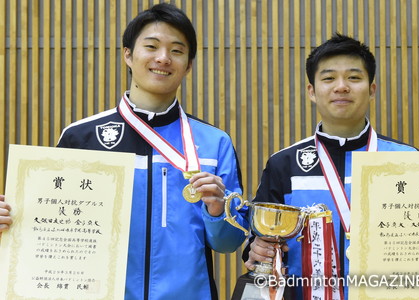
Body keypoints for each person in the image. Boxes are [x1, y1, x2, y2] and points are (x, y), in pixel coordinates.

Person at [0, 3, 248, 300]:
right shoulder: (83, 136)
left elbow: (228, 243)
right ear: (128, 54)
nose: (163, 58)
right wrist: (13, 221)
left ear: (189, 65)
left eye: (177, 51)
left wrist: (217, 210)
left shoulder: (214, 143)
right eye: (151, 46)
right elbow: (49, 229)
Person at [243, 33, 419, 299]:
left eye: (354, 78)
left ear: (372, 89)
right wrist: (257, 250)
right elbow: (257, 243)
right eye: (329, 78)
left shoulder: (407, 159)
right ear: (312, 91)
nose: (341, 87)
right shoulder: (283, 163)